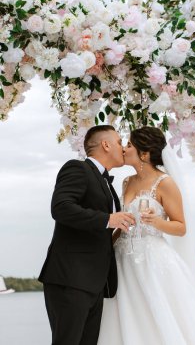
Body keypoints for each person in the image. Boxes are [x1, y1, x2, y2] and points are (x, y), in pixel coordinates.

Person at [98, 126, 195, 345]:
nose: (124, 149)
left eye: (129, 145)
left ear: (144, 154)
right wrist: (106, 246)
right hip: (122, 262)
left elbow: (181, 227)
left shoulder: (165, 183)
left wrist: (158, 222)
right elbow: (123, 222)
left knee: (161, 316)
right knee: (125, 315)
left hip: (152, 260)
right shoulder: (127, 182)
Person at [38, 125, 135, 345]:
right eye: (119, 142)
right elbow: (61, 207)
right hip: (70, 278)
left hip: (94, 282)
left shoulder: (107, 184)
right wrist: (108, 219)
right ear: (106, 144)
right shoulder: (77, 168)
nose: (122, 147)